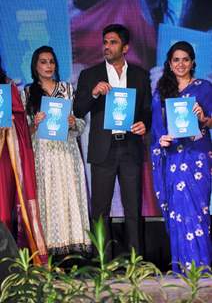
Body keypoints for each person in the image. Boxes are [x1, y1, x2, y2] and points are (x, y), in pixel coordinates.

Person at [73, 24, 152, 259]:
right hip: (103, 150)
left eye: (113, 42)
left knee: (133, 209)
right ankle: (103, 263)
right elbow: (77, 110)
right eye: (105, 42)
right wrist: (94, 93)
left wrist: (144, 124)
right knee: (100, 210)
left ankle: (136, 263)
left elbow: (146, 109)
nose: (107, 46)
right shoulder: (90, 74)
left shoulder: (139, 75)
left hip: (130, 148)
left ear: (125, 47)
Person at [151, 41, 212, 273]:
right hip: (173, 159)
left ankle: (202, 269)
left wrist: (204, 117)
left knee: (198, 213)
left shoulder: (204, 88)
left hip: (198, 157)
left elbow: (210, 121)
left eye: (185, 59)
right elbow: (158, 131)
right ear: (169, 63)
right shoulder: (162, 92)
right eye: (176, 59)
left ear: (193, 62)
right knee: (179, 215)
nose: (181, 64)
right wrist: (162, 141)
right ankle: (182, 270)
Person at [25, 46, 91, 256]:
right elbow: (23, 130)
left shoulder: (67, 89)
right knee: (47, 196)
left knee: (68, 194)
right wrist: (34, 124)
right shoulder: (27, 92)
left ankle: (72, 251)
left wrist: (72, 122)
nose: (48, 66)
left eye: (51, 62)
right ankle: (47, 251)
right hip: (43, 154)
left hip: (66, 152)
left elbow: (81, 124)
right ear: (35, 66)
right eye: (43, 62)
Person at [0, 58, 47, 265]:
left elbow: (19, 120)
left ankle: (8, 261)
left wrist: (8, 120)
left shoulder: (7, 86)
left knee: (3, 207)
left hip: (4, 154)